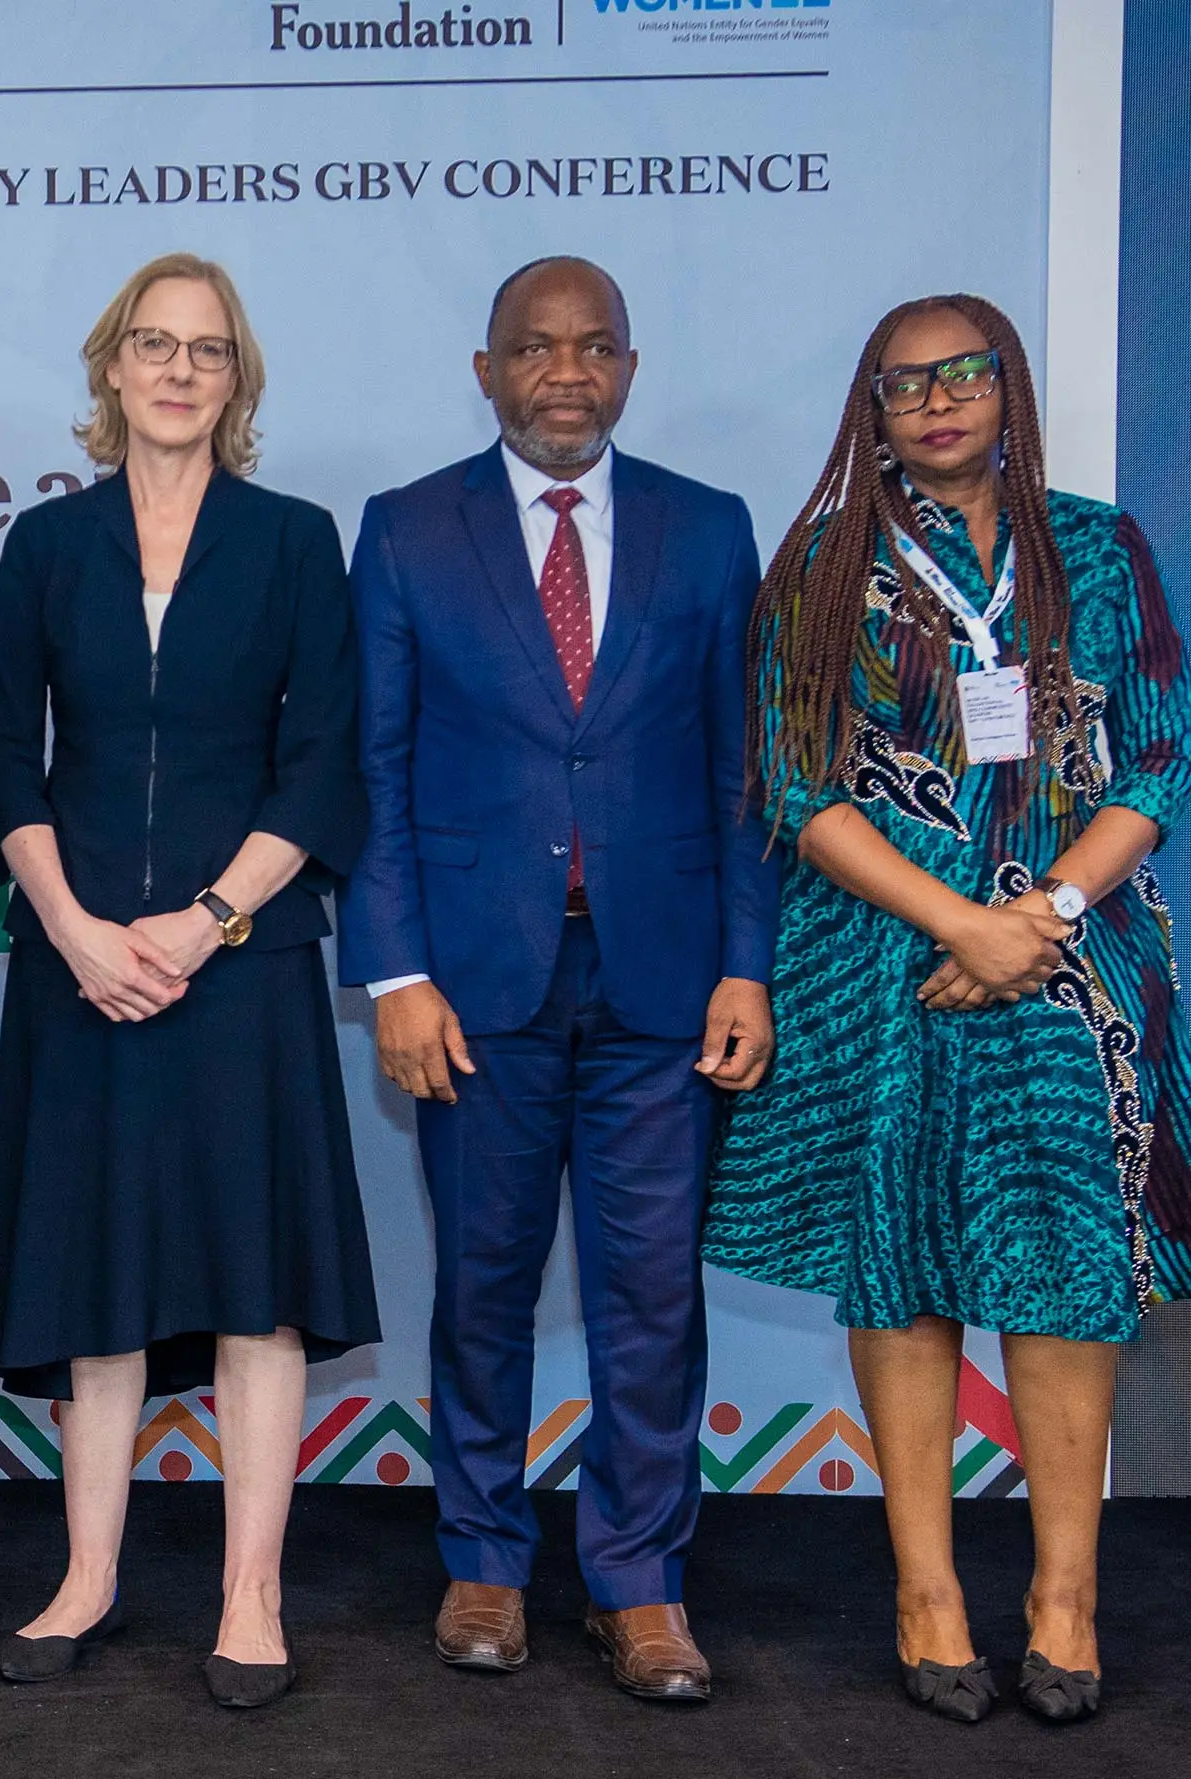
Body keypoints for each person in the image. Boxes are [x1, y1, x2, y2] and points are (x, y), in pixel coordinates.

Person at [705, 295, 1191, 1727]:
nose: (934, 402)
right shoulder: (821, 563)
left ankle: (1062, 1599)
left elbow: (1151, 768)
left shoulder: (1096, 548)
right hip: (879, 966)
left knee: (1059, 1285)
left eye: (959, 375)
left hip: (1071, 969)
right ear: (871, 411)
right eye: (901, 385)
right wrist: (963, 923)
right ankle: (925, 1593)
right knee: (901, 1268)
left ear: (1006, 387)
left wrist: (1034, 919)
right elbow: (796, 790)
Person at [337, 258, 776, 1703]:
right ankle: (480, 1555)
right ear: (486, 368)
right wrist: (393, 970)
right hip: (473, 983)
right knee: (483, 1282)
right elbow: (377, 768)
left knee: (651, 1292)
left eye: (593, 348)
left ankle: (638, 1582)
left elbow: (740, 774)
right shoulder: (405, 531)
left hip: (661, 981)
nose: (565, 372)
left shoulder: (705, 531)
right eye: (536, 348)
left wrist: (743, 966)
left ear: (629, 367)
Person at [0, 252, 375, 1710]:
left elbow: (324, 760)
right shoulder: (44, 546)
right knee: (98, 1284)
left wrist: (206, 919)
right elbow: (5, 760)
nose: (179, 369)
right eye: (154, 343)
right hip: (74, 967)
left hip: (241, 965)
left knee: (253, 1288)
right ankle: (84, 1579)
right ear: (111, 367)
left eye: (207, 349)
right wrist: (77, 929)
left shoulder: (289, 540)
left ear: (236, 378)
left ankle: (248, 1593)